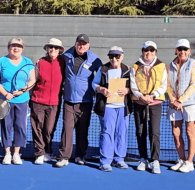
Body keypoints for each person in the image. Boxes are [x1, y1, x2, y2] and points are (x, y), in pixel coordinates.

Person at [55, 34, 102, 168]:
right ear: (75, 44)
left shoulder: (95, 60)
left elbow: (103, 74)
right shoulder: (66, 56)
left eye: (84, 44)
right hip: (69, 100)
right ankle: (64, 157)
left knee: (83, 130)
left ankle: (80, 155)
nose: (81, 46)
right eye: (79, 43)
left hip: (85, 102)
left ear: (88, 45)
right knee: (67, 129)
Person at [0, 38, 34, 165]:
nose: (15, 48)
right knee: (6, 126)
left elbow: (32, 80)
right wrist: (5, 94)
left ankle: (16, 153)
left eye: (18, 46)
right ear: (8, 47)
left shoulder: (28, 62)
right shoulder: (2, 61)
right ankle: (7, 153)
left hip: (22, 100)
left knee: (20, 126)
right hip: (4, 100)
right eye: (13, 46)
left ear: (22, 48)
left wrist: (22, 91)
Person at [92, 46, 132, 172]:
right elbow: (94, 84)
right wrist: (101, 90)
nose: (114, 59)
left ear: (122, 56)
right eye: (111, 56)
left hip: (123, 107)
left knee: (122, 132)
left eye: (117, 56)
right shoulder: (103, 69)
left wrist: (127, 90)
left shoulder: (128, 70)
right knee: (107, 132)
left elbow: (133, 86)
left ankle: (119, 159)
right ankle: (105, 161)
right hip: (107, 106)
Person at [130, 41, 167, 174]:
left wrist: (153, 96)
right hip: (139, 103)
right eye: (146, 50)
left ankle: (155, 160)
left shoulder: (162, 66)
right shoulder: (135, 67)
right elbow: (133, 85)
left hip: (155, 103)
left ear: (155, 52)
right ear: (142, 51)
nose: (149, 53)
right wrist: (141, 96)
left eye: (152, 50)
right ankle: (143, 159)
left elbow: (164, 84)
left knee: (154, 132)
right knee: (140, 131)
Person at [167, 39, 195, 173]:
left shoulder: (194, 64)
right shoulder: (170, 66)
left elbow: (194, 84)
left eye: (185, 49)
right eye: (180, 49)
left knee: (189, 132)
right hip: (175, 104)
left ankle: (189, 162)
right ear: (176, 50)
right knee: (176, 133)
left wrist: (181, 101)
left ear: (189, 51)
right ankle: (181, 159)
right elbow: (168, 85)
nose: (182, 52)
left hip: (190, 103)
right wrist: (174, 100)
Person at [30, 38, 65, 165]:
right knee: (37, 127)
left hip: (54, 102)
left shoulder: (63, 62)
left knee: (49, 129)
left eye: (56, 48)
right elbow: (32, 81)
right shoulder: (40, 62)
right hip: (38, 100)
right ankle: (39, 153)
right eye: (51, 47)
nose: (53, 50)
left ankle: (48, 151)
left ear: (60, 50)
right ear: (47, 49)